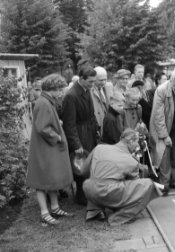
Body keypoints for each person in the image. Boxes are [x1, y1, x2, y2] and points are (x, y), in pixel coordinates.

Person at [81, 128, 162, 226]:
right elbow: (135, 188)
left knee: (99, 176)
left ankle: (93, 209)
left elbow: (83, 170)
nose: (137, 146)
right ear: (131, 142)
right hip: (106, 192)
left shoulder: (99, 148)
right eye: (137, 143)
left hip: (88, 189)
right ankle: (118, 218)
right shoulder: (131, 161)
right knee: (148, 184)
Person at [26, 74, 74, 226]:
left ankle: (54, 208)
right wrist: (57, 137)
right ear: (51, 89)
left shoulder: (47, 101)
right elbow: (42, 127)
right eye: (59, 90)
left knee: (50, 178)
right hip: (44, 149)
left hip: (46, 147)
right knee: (41, 180)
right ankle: (44, 213)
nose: (61, 93)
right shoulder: (44, 103)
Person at [62, 66, 99, 205]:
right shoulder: (71, 95)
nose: (93, 84)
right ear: (81, 79)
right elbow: (69, 124)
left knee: (90, 163)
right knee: (81, 165)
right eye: (90, 81)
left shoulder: (86, 89)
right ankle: (81, 195)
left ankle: (87, 192)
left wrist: (96, 129)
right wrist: (76, 144)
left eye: (94, 81)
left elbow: (91, 113)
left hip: (89, 131)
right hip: (80, 133)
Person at [90, 66, 112, 134]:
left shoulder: (109, 87)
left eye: (105, 79)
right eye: (101, 80)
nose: (103, 82)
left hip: (108, 124)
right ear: (94, 79)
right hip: (97, 126)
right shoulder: (89, 90)